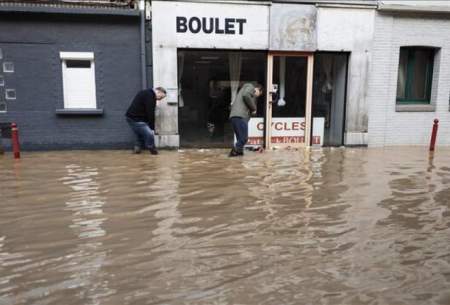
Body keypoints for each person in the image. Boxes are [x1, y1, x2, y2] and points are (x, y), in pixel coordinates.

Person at [125, 87, 167, 155]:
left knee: (139, 133)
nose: (160, 99)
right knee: (149, 134)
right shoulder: (150, 96)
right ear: (158, 92)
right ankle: (153, 151)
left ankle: (137, 149)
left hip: (132, 117)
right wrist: (152, 128)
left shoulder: (148, 93)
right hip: (135, 118)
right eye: (161, 97)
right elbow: (150, 113)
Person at [228, 83, 263, 157]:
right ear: (257, 89)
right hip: (240, 116)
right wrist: (254, 108)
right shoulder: (250, 86)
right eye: (258, 94)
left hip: (235, 117)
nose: (256, 96)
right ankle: (231, 155)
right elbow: (245, 95)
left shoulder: (247, 92)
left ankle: (239, 157)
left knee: (240, 140)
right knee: (244, 139)